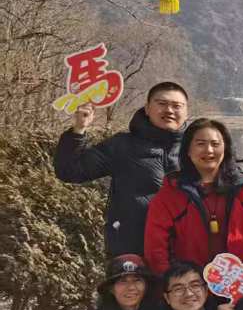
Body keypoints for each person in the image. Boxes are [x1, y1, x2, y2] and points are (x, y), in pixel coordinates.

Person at [54, 82, 188, 256]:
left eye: (176, 106)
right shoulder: (122, 145)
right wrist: (79, 129)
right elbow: (70, 170)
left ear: (186, 112)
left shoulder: (197, 150)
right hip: (131, 253)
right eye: (162, 104)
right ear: (147, 108)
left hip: (184, 253)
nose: (169, 110)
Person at [143, 118, 243, 275]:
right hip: (191, 285)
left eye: (215, 144)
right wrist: (172, 285)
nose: (209, 150)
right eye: (200, 144)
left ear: (226, 149)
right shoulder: (170, 195)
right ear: (188, 150)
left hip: (239, 283)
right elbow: (156, 250)